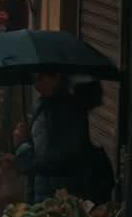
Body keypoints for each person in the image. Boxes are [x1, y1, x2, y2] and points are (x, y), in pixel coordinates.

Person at [13, 74, 113, 203]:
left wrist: (21, 146)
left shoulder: (69, 113)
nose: (37, 85)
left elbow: (56, 161)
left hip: (63, 198)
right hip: (46, 193)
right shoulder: (44, 104)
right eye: (34, 80)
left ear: (58, 77)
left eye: (41, 78)